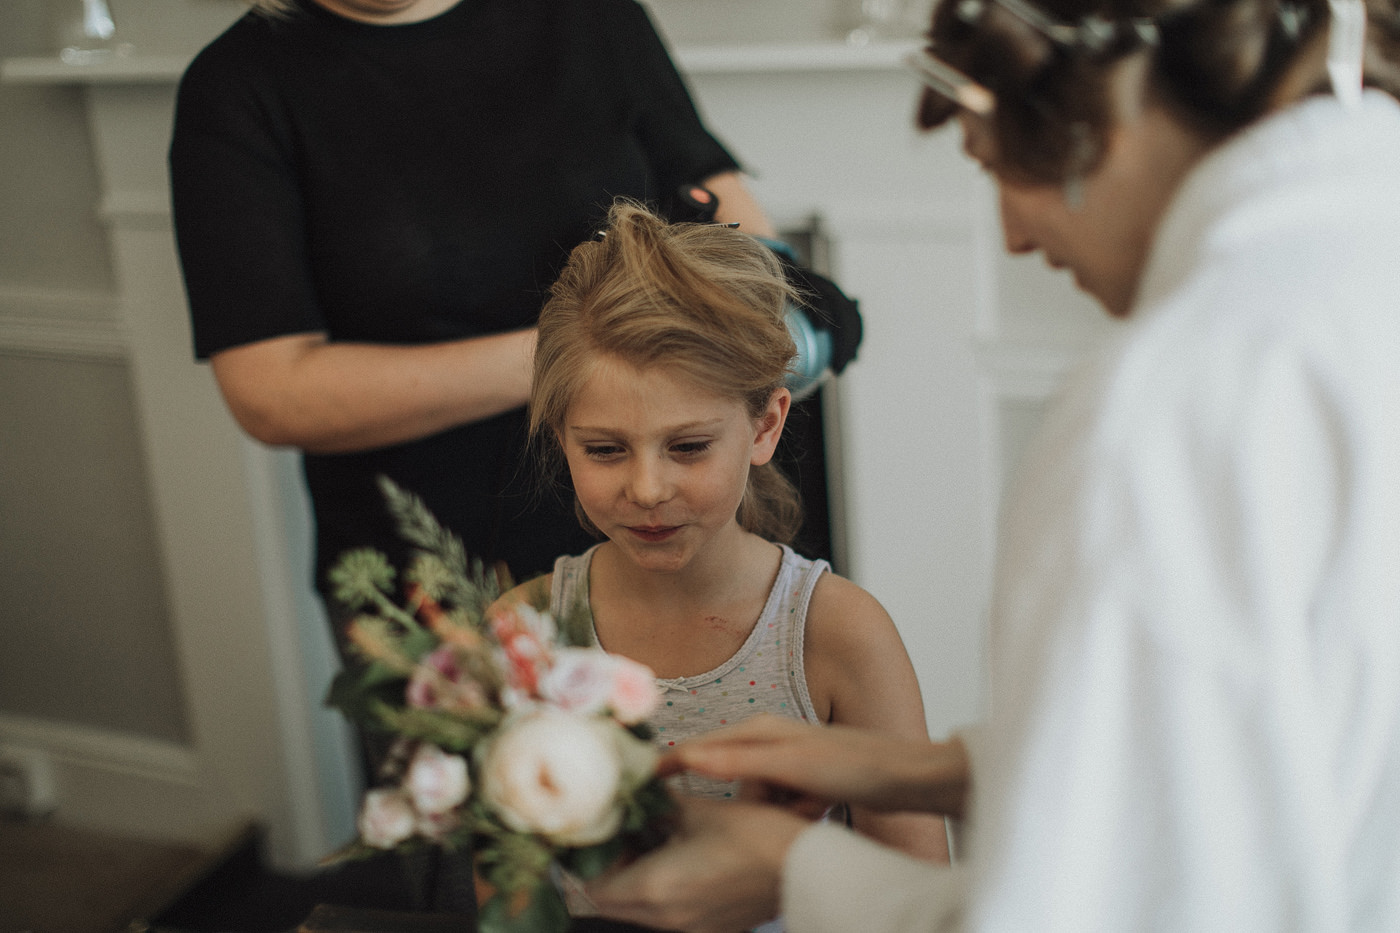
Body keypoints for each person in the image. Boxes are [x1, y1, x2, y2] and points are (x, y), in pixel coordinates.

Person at [579, 0, 1400, 929]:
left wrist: (796, 868)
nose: (1010, 234)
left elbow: (1091, 910)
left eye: (992, 163)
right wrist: (917, 770)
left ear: (1105, 114)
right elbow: (1251, 746)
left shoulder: (1170, 403)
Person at [169, 0, 778, 633]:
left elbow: (730, 215)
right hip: (439, 569)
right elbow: (271, 394)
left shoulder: (590, 13)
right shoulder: (239, 83)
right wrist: (576, 353)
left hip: (677, 529)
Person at [497, 199, 948, 923]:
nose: (647, 489)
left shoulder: (837, 636)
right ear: (560, 436)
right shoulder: (522, 632)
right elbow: (508, 897)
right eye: (605, 449)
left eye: (688, 446)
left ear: (765, 424)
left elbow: (918, 900)